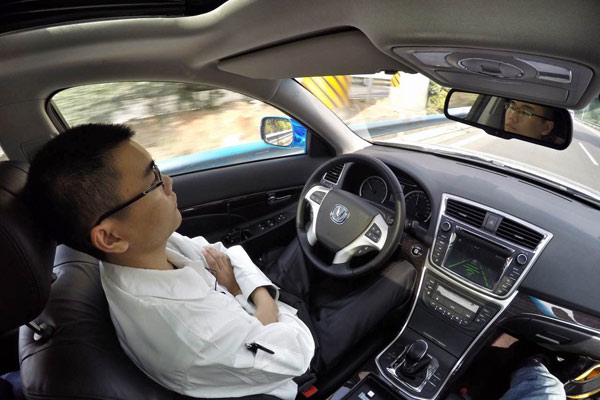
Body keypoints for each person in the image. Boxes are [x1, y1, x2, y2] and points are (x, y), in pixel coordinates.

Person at [24, 123, 414, 399]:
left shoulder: (144, 252)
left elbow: (214, 252)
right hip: (294, 358)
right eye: (154, 182)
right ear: (110, 236)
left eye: (158, 170)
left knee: (305, 236)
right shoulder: (191, 336)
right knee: (407, 269)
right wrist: (258, 296)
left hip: (251, 314)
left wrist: (250, 295)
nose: (170, 184)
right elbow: (294, 352)